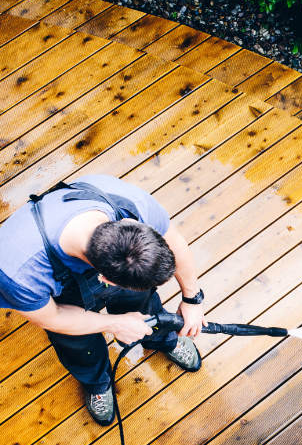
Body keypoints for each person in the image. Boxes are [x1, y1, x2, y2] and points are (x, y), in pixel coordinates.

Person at [0, 174, 207, 426]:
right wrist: (114, 324)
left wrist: (192, 299)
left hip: (109, 272)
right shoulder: (17, 270)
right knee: (78, 344)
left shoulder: (130, 204)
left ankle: (163, 339)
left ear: (132, 224)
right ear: (106, 280)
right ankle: (98, 381)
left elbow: (173, 241)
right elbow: (52, 318)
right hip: (61, 300)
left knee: (144, 303)